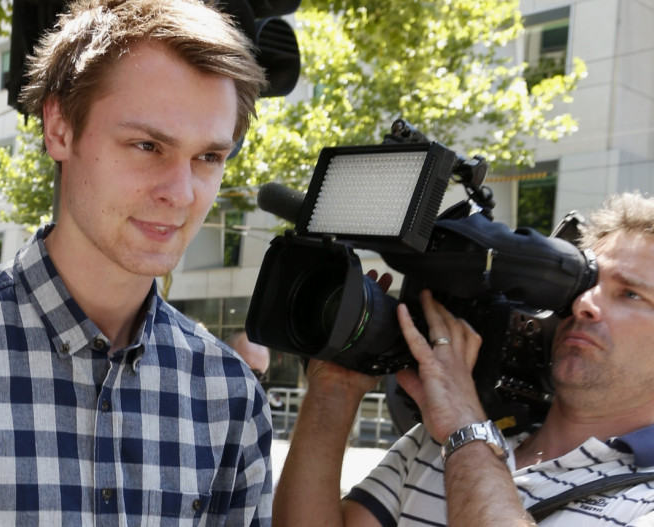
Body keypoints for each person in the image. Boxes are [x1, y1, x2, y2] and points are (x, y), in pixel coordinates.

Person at [0, 0, 271, 526]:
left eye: (209, 158)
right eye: (147, 145)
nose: (180, 193)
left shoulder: (229, 398)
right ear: (59, 128)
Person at [273, 191, 654, 526]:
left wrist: (465, 428)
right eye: (586, 283)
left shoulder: (645, 503)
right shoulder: (438, 441)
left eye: (631, 294)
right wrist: (334, 391)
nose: (584, 303)